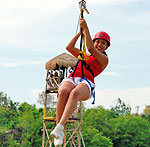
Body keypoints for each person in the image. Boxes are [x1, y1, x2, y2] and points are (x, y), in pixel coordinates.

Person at [50, 18, 111, 146]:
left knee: (74, 94)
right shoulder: (84, 56)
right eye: (97, 42)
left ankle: (61, 126)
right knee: (63, 91)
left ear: (107, 47)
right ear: (94, 42)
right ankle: (58, 130)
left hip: (86, 82)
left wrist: (86, 28)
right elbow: (69, 47)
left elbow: (90, 48)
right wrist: (80, 33)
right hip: (73, 78)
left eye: (103, 43)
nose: (99, 45)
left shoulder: (104, 59)